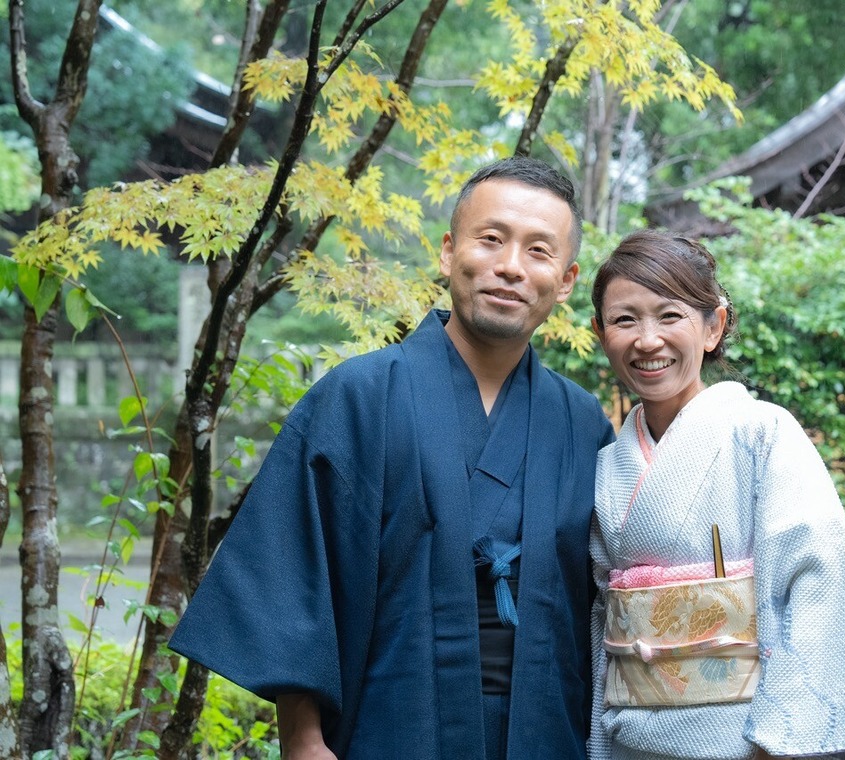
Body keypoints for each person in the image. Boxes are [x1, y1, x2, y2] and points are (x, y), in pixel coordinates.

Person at [169, 157, 615, 760]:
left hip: (543, 732)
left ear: (564, 280)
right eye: (491, 240)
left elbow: (611, 593)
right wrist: (302, 738)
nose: (511, 267)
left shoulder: (582, 420)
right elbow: (296, 569)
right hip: (393, 722)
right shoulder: (357, 397)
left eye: (539, 251)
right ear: (447, 251)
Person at [586, 230, 845, 760]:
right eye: (625, 319)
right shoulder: (608, 465)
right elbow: (600, 622)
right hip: (628, 742)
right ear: (600, 332)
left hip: (747, 740)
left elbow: (821, 584)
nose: (647, 340)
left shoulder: (762, 434)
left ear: (713, 326)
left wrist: (779, 741)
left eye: (670, 316)